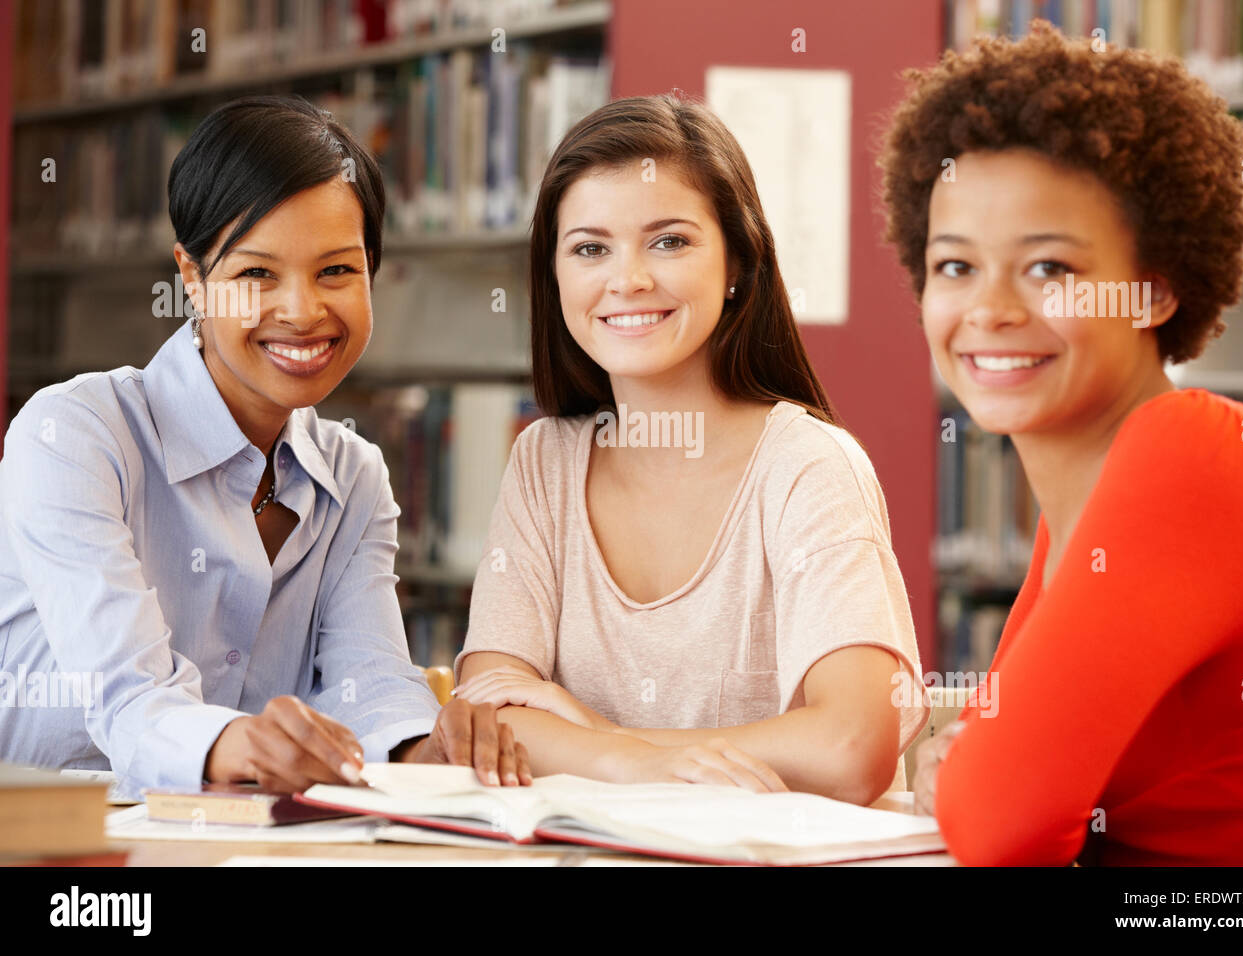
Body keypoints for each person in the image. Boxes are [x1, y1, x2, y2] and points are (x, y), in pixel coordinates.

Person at [0, 95, 529, 798]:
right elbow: (128, 696)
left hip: (240, 839)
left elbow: (367, 677)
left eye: (337, 270)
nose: (303, 311)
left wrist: (420, 750)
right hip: (57, 843)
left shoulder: (355, 476)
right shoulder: (74, 433)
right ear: (192, 277)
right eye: (256, 274)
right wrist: (233, 740)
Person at [881, 22, 1243, 863]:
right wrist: (969, 766)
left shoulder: (1190, 455)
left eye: (1050, 270)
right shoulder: (1082, 492)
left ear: (1154, 293)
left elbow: (1000, 816)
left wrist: (969, 770)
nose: (990, 310)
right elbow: (996, 772)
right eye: (956, 267)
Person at [453, 95, 928, 805]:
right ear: (553, 276)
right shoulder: (542, 462)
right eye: (589, 248)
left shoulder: (808, 467)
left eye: (669, 241)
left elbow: (852, 745)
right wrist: (629, 764)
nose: (628, 280)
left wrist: (600, 743)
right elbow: (486, 720)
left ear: (737, 262)